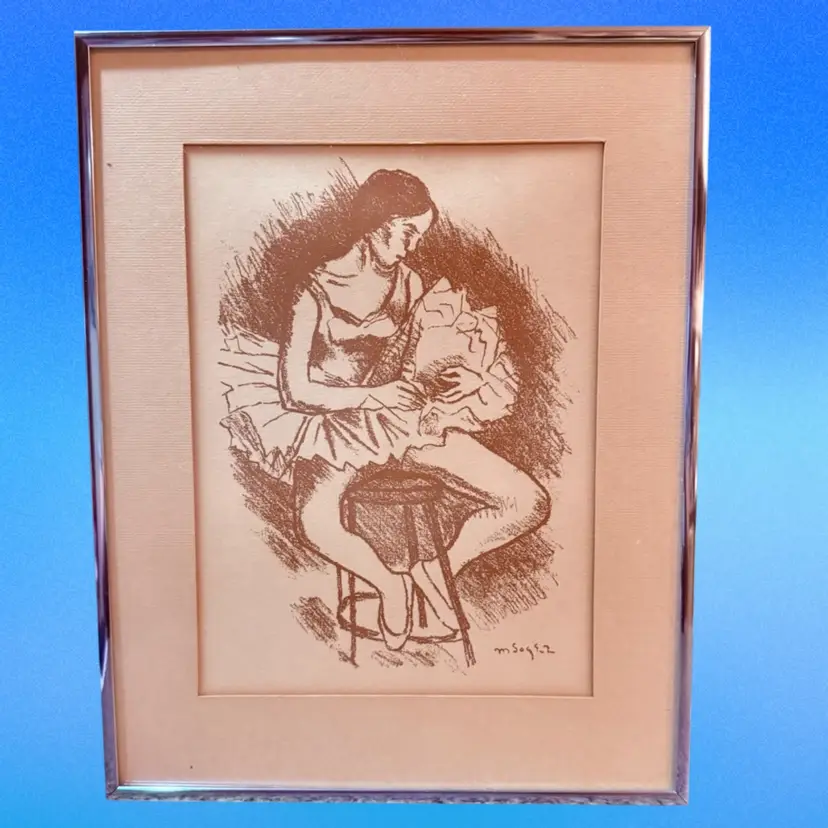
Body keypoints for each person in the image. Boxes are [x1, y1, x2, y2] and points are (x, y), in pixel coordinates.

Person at [222, 169, 550, 650]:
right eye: (407, 232)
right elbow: (295, 391)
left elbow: (421, 358)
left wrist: (465, 378)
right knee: (315, 521)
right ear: (377, 223)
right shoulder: (314, 291)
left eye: (420, 235)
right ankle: (389, 583)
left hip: (402, 421)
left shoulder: (410, 283)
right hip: (332, 421)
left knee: (527, 500)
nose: (413, 246)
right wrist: (374, 396)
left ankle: (433, 572)